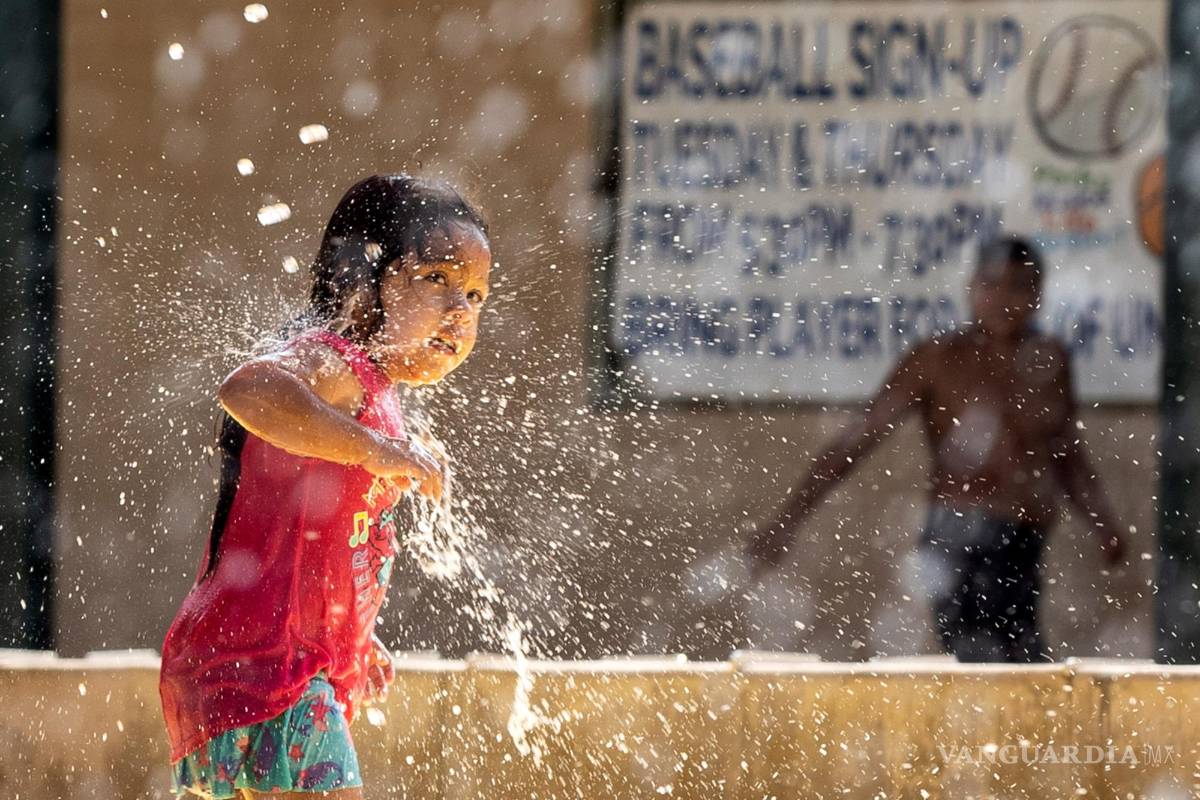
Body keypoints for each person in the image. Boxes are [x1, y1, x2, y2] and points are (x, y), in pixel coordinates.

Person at [159, 174, 491, 798]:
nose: (458, 311)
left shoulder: (374, 392)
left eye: (475, 294)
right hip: (258, 667)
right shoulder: (339, 364)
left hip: (256, 661)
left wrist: (351, 634)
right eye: (437, 279)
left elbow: (322, 542)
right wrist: (380, 449)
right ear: (370, 280)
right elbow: (246, 389)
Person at [747, 235, 1127, 663]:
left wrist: (1102, 520)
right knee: (982, 666)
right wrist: (787, 521)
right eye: (991, 284)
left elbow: (1066, 453)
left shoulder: (1049, 361)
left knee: (1019, 669)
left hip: (1023, 539)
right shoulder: (938, 359)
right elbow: (855, 441)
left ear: (1038, 296)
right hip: (955, 535)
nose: (1003, 297)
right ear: (970, 289)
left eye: (1018, 286)